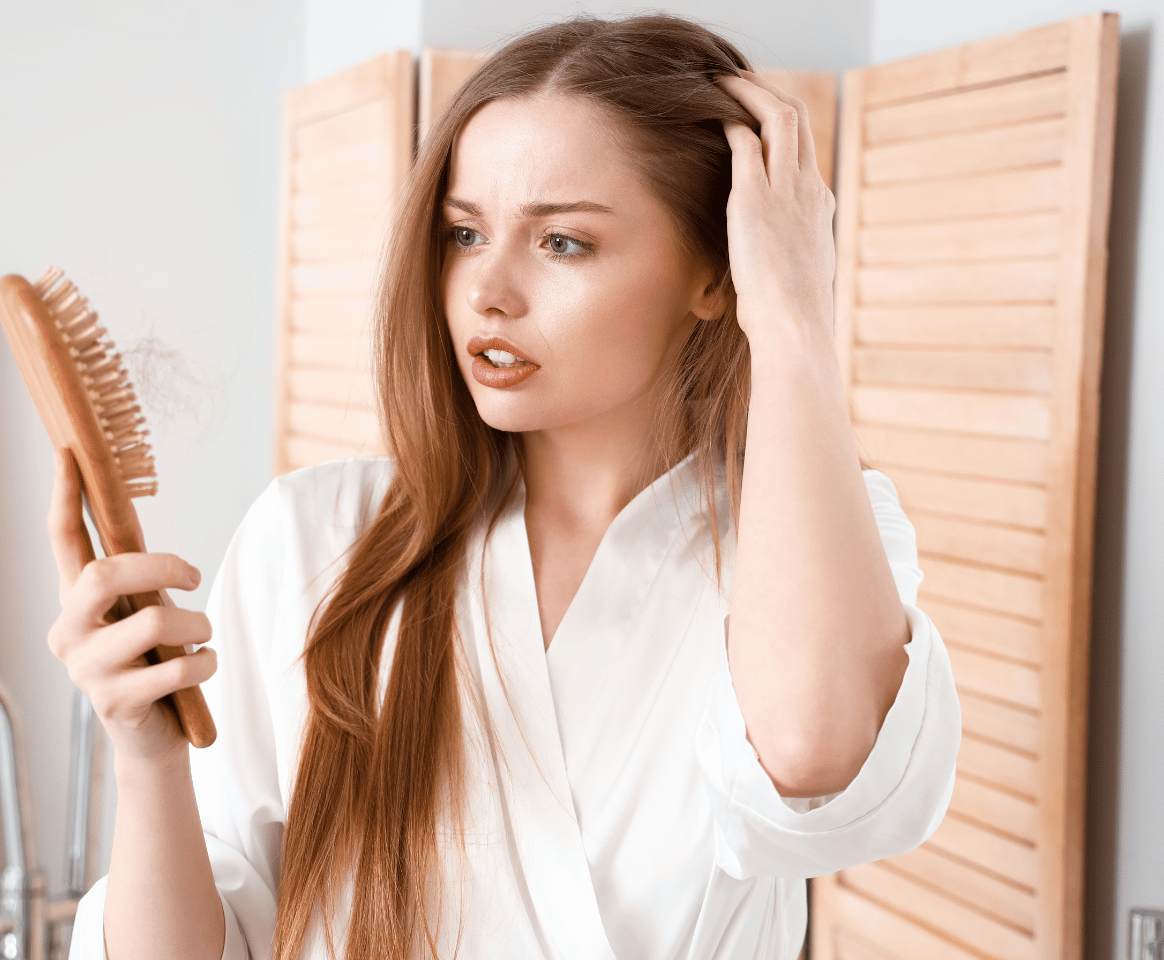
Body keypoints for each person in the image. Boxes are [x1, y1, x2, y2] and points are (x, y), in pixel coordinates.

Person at [56, 15, 960, 960]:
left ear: (715, 270)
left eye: (562, 243)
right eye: (464, 232)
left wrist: (791, 313)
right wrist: (145, 754)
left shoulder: (805, 547)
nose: (486, 289)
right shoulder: (315, 538)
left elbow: (818, 767)